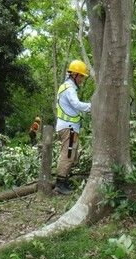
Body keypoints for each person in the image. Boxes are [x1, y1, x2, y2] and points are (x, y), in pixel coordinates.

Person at [54, 59, 91, 194]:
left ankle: (63, 181)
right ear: (74, 75)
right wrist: (92, 106)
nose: (82, 79)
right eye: (81, 76)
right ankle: (60, 184)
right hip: (68, 127)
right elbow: (76, 104)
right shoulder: (69, 88)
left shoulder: (67, 86)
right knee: (68, 154)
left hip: (69, 127)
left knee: (72, 155)